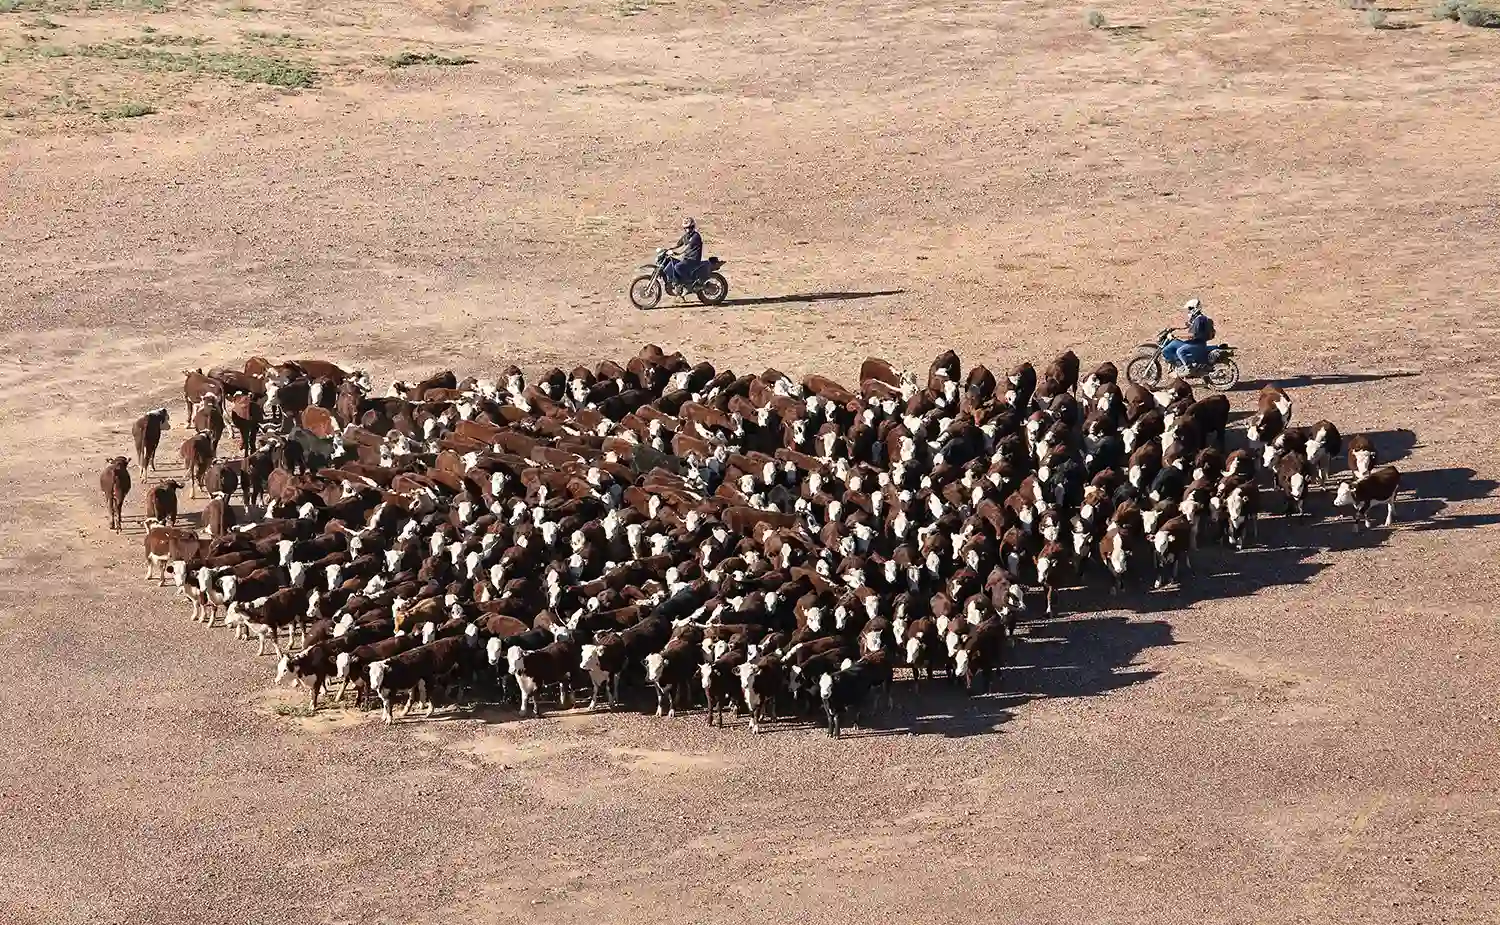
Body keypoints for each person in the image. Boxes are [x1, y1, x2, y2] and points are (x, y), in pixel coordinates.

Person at [1161, 298, 1214, 373]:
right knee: (1175, 343)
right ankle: (1179, 365)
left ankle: (1189, 369)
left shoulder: (1200, 319)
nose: (1188, 311)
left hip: (1198, 344)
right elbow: (1187, 325)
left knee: (1180, 351)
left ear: (1195, 308)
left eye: (1189, 309)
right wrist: (1173, 327)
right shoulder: (1196, 318)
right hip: (1194, 343)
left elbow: (1191, 335)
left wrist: (1176, 335)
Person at [666, 217, 703, 291]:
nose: (688, 230)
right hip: (687, 259)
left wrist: (677, 253)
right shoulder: (686, 236)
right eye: (686, 228)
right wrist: (667, 249)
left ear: (693, 227)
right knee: (671, 263)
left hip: (693, 259)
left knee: (678, 267)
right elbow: (678, 244)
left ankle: (688, 284)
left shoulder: (695, 236)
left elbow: (686, 247)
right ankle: (677, 282)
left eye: (690, 227)